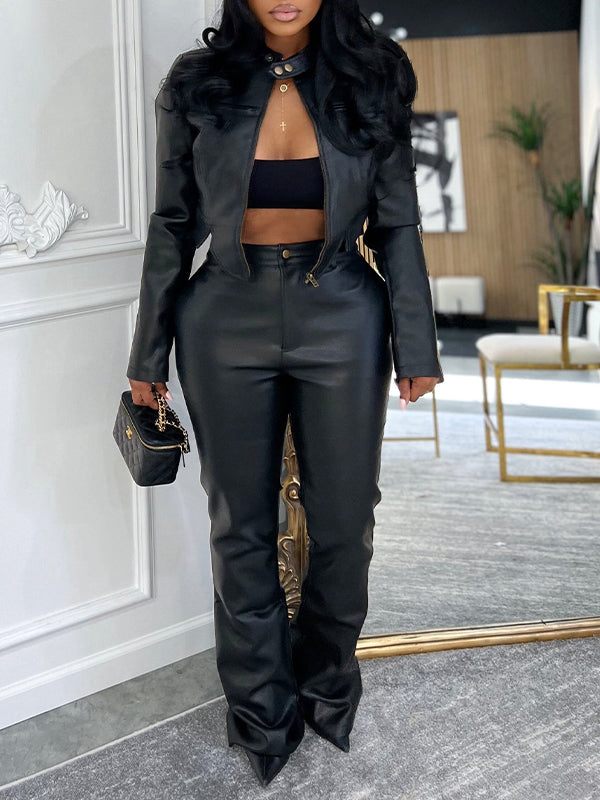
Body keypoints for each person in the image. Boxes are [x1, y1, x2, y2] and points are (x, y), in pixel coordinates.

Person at [126, 0, 443, 787]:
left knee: (345, 522)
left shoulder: (372, 76)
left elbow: (398, 223)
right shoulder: (198, 83)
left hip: (343, 313)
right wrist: (147, 353)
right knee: (240, 528)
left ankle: (327, 689)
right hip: (222, 318)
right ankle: (262, 714)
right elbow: (172, 223)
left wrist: (416, 344)